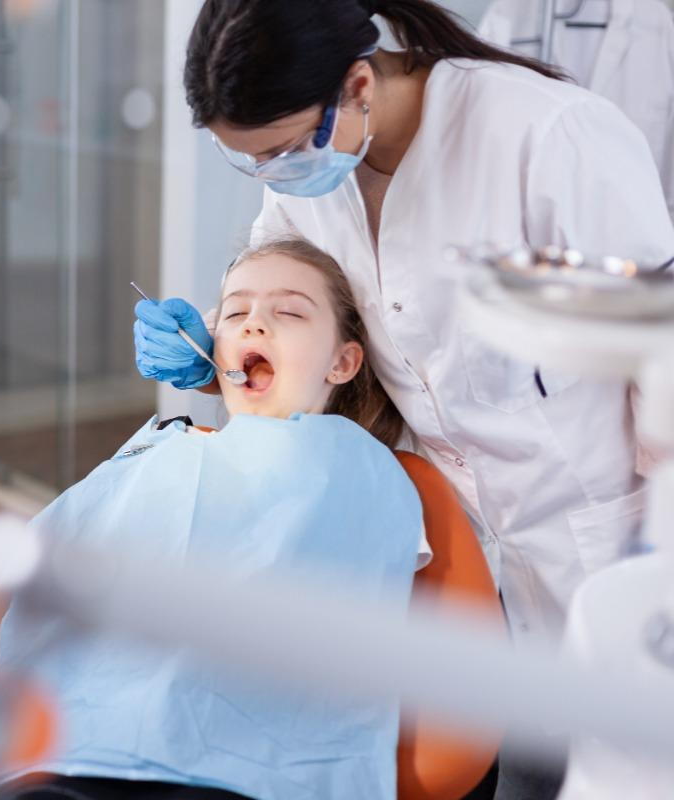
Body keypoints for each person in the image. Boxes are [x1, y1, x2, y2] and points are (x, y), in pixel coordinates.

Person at [133, 2, 674, 795]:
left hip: (606, 546)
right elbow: (289, 308)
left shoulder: (547, 137)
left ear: (358, 84)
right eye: (249, 163)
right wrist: (211, 349)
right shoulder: (314, 177)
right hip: (465, 561)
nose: (273, 176)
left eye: (281, 151)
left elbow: (658, 356)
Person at [0, 238, 441, 800]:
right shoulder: (159, 450)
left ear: (343, 361)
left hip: (258, 768)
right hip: (85, 744)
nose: (253, 325)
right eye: (234, 312)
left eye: (290, 311)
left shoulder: (363, 466)